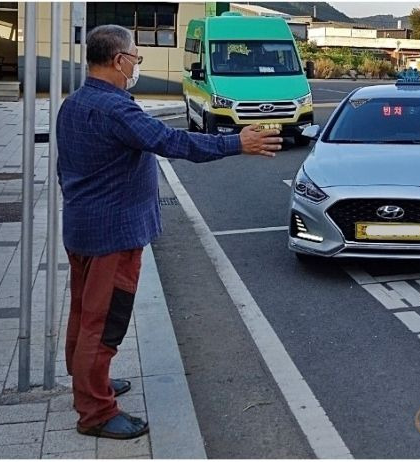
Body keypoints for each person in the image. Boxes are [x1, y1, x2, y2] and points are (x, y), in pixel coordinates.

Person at [56, 24, 282, 440]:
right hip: (114, 236)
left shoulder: (74, 103)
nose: (137, 64)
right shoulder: (117, 110)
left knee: (83, 313)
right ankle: (95, 411)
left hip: (82, 227)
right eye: (137, 58)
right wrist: (237, 143)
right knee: (102, 324)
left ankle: (89, 381)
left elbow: (66, 168)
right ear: (119, 60)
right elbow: (175, 143)